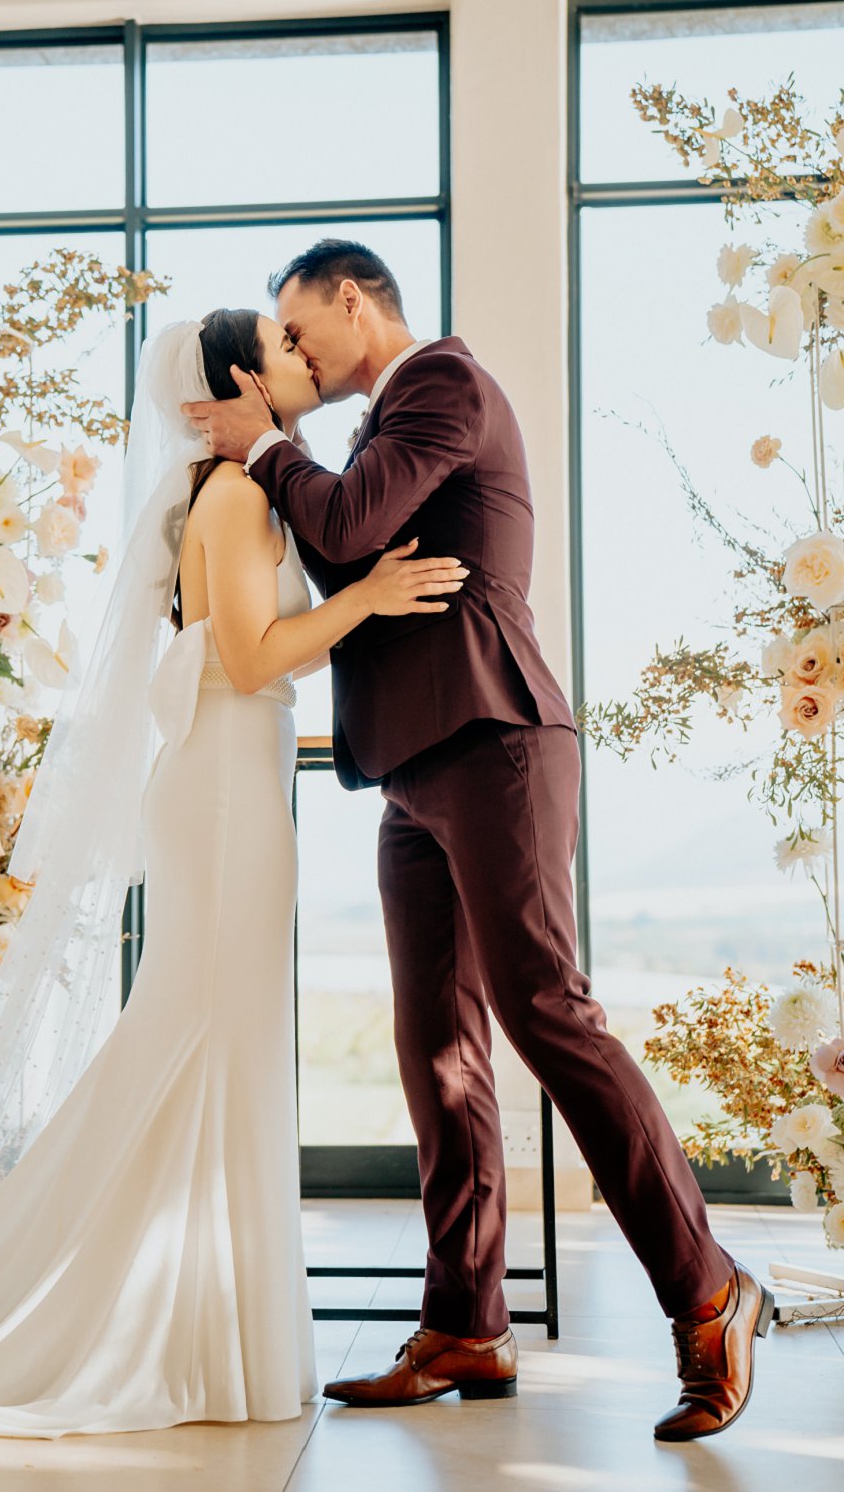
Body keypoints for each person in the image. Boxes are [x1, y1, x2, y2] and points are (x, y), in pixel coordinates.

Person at [0, 312, 468, 1438]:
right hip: (225, 789)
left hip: (230, 778)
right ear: (243, 381)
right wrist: (366, 600)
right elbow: (250, 657)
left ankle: (207, 1329)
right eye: (282, 345)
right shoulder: (233, 496)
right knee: (200, 1037)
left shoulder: (236, 489)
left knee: (217, 1044)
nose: (302, 356)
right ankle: (143, 1320)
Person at [182, 238, 774, 1442]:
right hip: (412, 768)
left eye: (298, 329)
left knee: (547, 1013)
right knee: (438, 1051)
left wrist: (265, 446)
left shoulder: (444, 383)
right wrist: (280, 469)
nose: (293, 352)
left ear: (355, 301)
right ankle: (464, 1322)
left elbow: (349, 524)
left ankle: (710, 1289)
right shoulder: (377, 429)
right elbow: (341, 551)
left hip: (496, 740)